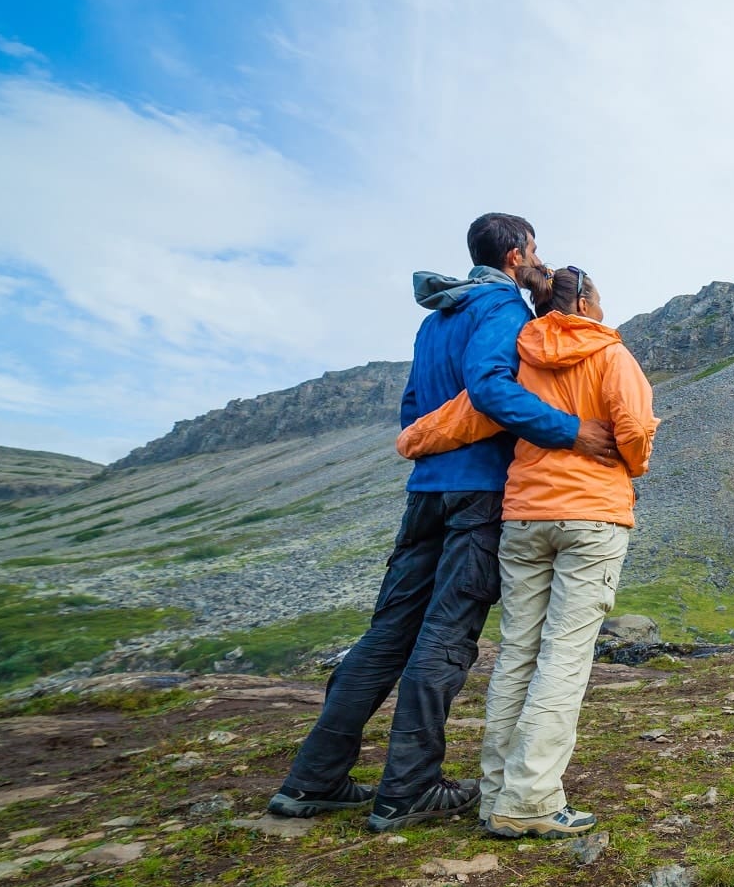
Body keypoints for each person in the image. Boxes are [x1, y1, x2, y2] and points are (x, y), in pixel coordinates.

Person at [267, 214, 621, 833]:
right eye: (535, 249)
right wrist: (573, 433)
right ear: (515, 254)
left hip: (426, 489)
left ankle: (313, 780)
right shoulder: (502, 310)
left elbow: (413, 410)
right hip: (479, 491)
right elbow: (490, 390)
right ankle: (407, 789)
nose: (540, 258)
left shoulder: (435, 319)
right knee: (447, 637)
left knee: (387, 633)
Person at [396, 264, 658, 839]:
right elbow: (634, 429)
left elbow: (467, 414)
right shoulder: (613, 355)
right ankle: (533, 799)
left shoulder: (520, 357)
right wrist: (631, 463)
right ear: (588, 301)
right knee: (564, 657)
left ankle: (496, 794)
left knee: (518, 652)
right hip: (592, 518)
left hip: (523, 519)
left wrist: (410, 439)